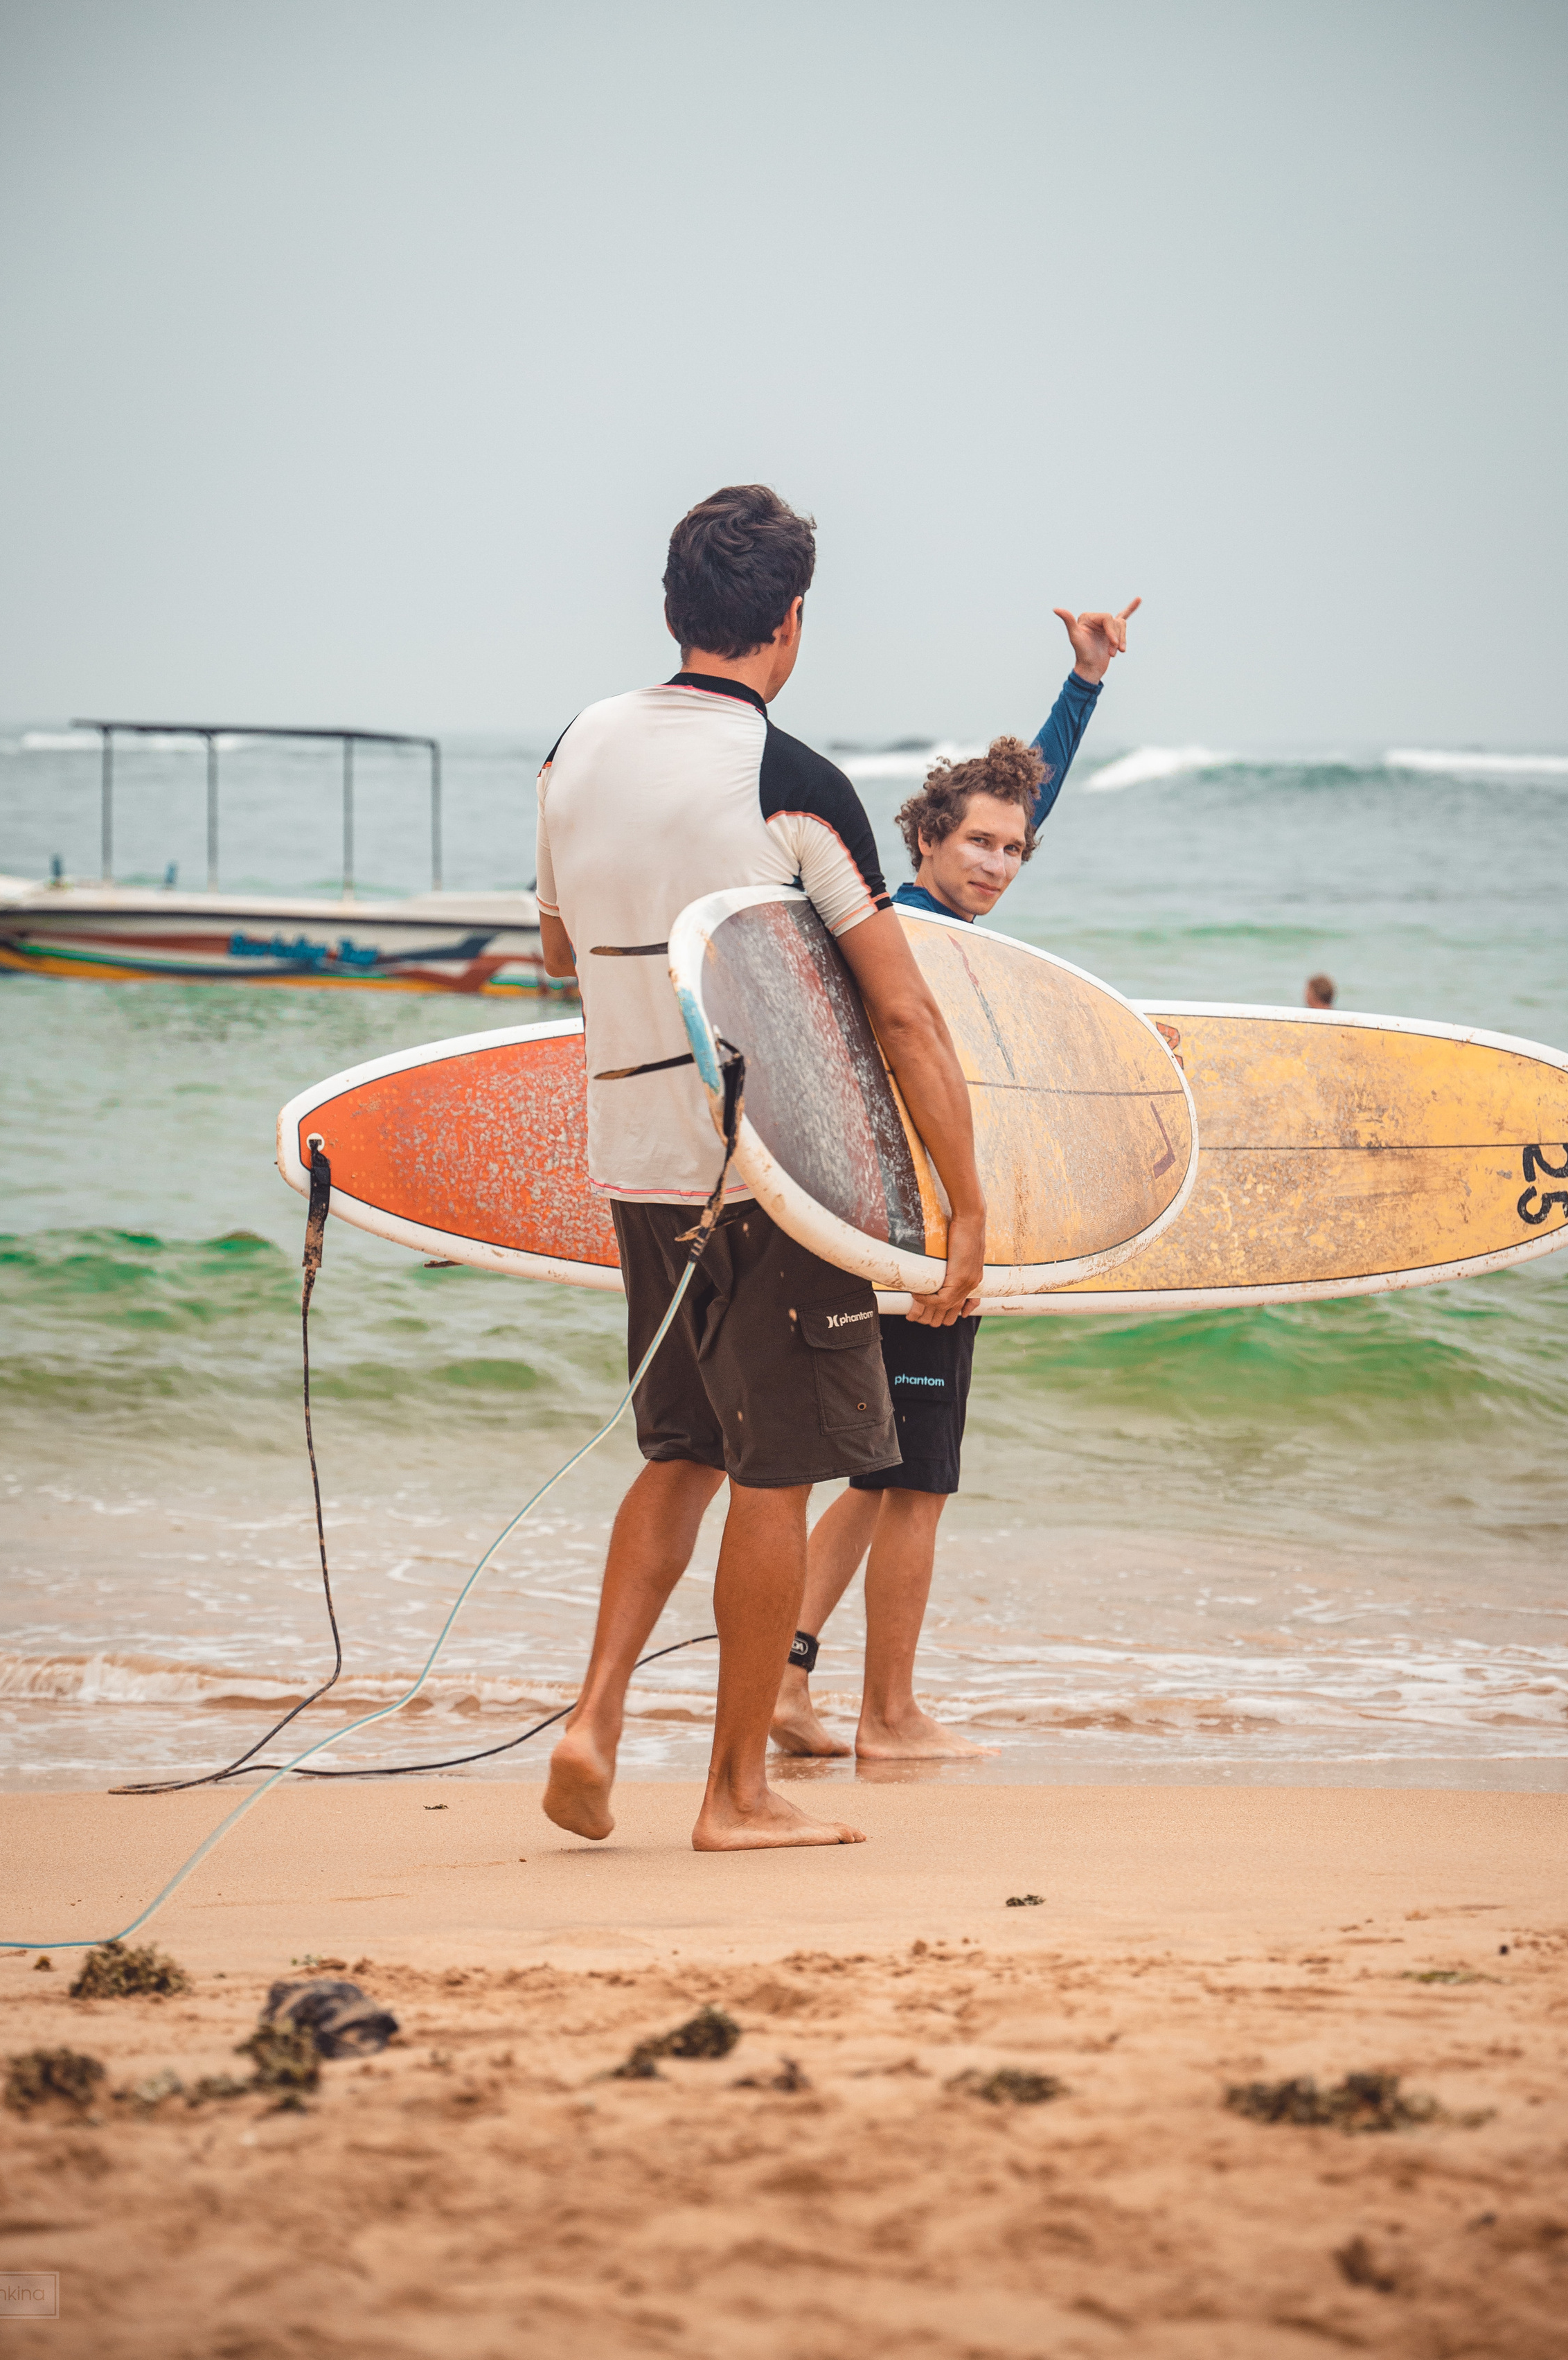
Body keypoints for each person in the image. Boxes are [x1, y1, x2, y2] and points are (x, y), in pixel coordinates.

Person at [533, 484, 987, 1852]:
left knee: (676, 1450)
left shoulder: (575, 749)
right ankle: (735, 1795)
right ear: (789, 622)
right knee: (774, 1470)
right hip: (770, 1179)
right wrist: (962, 1206)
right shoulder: (791, 783)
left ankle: (593, 1720)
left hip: (636, 1162)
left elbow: (559, 952)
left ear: (673, 609)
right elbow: (899, 1011)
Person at [770, 600, 1139, 1762]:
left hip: (874, 1233)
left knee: (880, 1478)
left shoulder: (932, 939)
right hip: (923, 1244)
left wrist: (1081, 687)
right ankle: (890, 1718)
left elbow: (1033, 798)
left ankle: (787, 1679)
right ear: (924, 841)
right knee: (918, 1483)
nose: (998, 862)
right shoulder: (911, 933)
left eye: (1014, 850)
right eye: (977, 842)